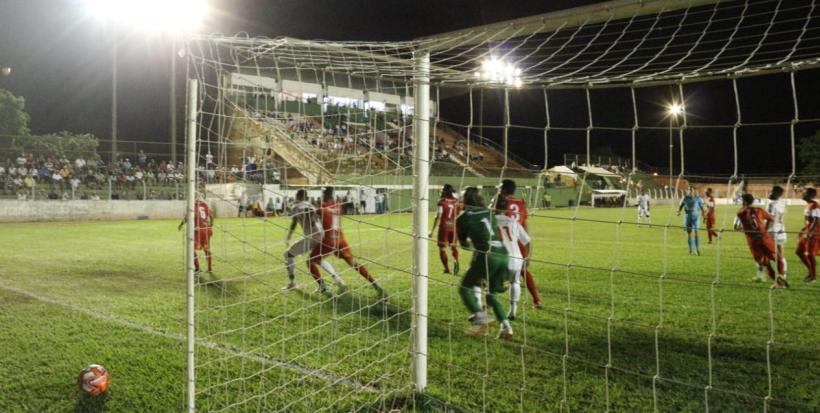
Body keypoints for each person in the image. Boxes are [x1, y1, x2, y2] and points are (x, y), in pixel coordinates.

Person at [456, 187, 513, 339]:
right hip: (503, 255)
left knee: (464, 288)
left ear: (464, 200)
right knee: (491, 295)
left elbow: (464, 245)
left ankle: (481, 317)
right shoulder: (489, 213)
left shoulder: (462, 218)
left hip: (487, 256)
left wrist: (472, 243)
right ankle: (506, 328)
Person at [308, 187, 384, 296]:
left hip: (329, 240)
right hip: (341, 240)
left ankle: (323, 286)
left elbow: (313, 217)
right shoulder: (338, 205)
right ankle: (376, 285)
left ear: (325, 195)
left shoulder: (322, 208)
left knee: (310, 261)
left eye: (323, 195)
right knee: (354, 264)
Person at [283, 189, 343, 292]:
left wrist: (289, 236)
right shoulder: (311, 205)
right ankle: (336, 279)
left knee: (288, 255)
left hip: (311, 236)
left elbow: (294, 222)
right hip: (321, 234)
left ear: (297, 196)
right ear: (306, 197)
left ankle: (293, 283)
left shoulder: (297, 207)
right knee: (318, 259)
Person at [499, 179, 542, 308]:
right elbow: (524, 225)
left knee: (495, 267)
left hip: (506, 241)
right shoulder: (521, 204)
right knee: (523, 270)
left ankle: (490, 299)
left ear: (504, 189)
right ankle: (537, 300)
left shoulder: (500, 203)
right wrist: (527, 243)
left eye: (500, 188)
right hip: (520, 241)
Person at [734, 193, 788, 287]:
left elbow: (736, 227)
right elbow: (771, 219)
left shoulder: (740, 213)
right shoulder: (759, 210)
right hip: (764, 237)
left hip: (753, 240)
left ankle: (778, 283)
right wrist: (765, 230)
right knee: (777, 257)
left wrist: (746, 230)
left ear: (744, 201)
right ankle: (782, 275)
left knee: (765, 264)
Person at [494, 196, 531, 322]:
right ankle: (513, 311)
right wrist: (527, 258)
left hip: (499, 258)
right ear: (506, 208)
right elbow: (527, 241)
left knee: (487, 282)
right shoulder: (513, 222)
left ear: (493, 206)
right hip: (516, 258)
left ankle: (486, 306)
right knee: (515, 282)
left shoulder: (490, 221)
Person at [429, 184, 460, 274]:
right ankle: (456, 260)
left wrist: (432, 231)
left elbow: (438, 216)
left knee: (442, 248)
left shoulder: (441, 202)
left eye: (442, 190)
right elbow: (458, 214)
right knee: (453, 246)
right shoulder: (456, 201)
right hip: (453, 227)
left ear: (444, 191)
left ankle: (447, 269)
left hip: (444, 228)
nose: (441, 191)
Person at [178, 194, 214, 274]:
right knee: (206, 249)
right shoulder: (205, 204)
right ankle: (209, 268)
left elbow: (187, 217)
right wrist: (211, 225)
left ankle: (197, 269)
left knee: (191, 249)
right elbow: (211, 215)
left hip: (198, 230)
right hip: (207, 229)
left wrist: (181, 224)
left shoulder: (192, 205)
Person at [796, 187, 820, 283]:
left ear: (811, 195)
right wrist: (803, 230)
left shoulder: (815, 205)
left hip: (814, 234)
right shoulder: (808, 205)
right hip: (807, 232)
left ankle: (813, 276)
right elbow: (809, 221)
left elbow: (816, 220)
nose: (803, 194)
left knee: (810, 254)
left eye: (805, 193)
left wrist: (809, 232)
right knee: (799, 251)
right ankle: (811, 272)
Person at [765, 185, 788, 279]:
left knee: (765, 253)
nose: (770, 193)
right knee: (780, 254)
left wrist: (765, 231)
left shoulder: (771, 204)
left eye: (773, 191)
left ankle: (762, 274)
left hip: (772, 232)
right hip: (781, 231)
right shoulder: (782, 203)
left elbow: (770, 219)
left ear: (778, 193)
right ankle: (783, 275)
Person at [677, 188, 706, 255]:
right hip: (688, 217)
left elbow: (702, 208)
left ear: (694, 192)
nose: (690, 192)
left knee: (696, 232)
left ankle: (697, 250)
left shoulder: (698, 199)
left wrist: (704, 217)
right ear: (688, 192)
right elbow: (681, 206)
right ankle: (691, 250)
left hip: (696, 218)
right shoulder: (685, 198)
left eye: (692, 191)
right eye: (689, 191)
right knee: (690, 233)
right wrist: (679, 212)